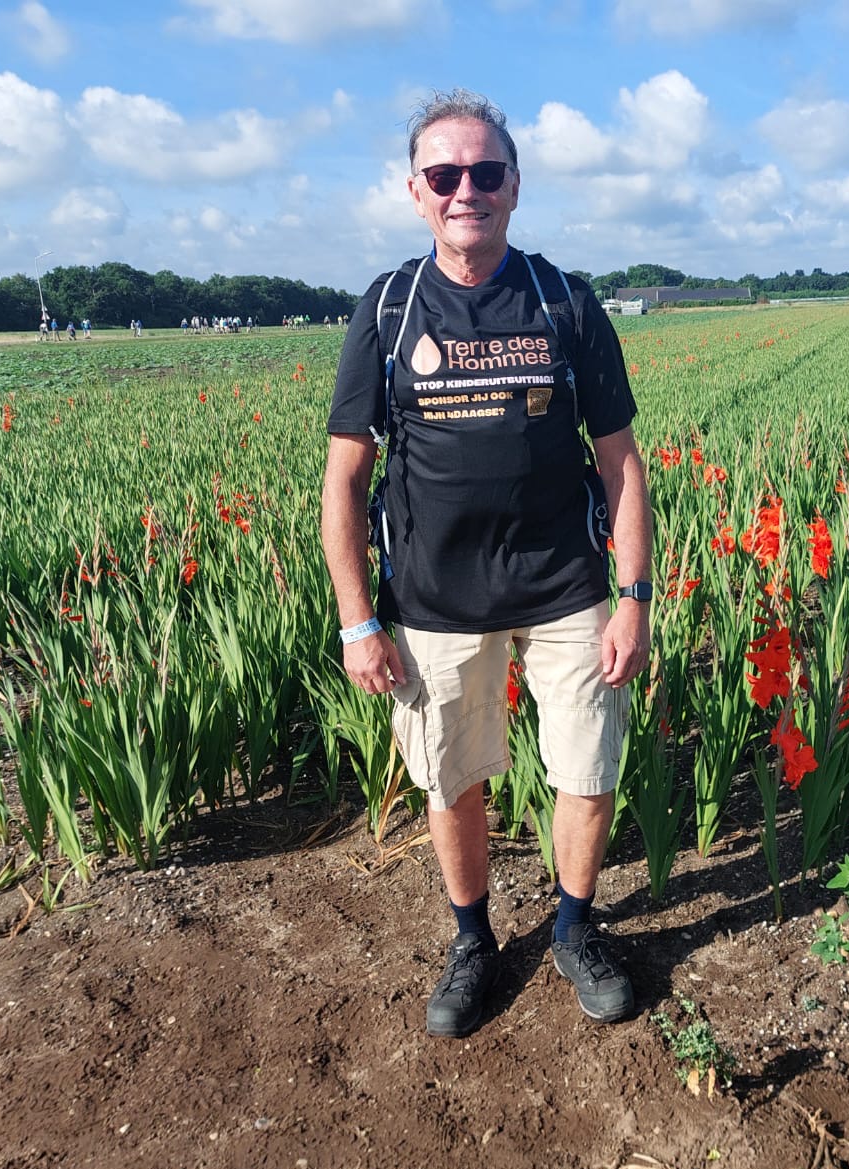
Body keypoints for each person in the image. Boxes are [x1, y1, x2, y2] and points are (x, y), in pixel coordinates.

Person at [321, 89, 653, 1039]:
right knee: (451, 777)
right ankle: (474, 939)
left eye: (486, 172)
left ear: (514, 186)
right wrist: (357, 618)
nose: (466, 188)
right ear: (416, 192)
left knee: (585, 769)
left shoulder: (564, 301)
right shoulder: (387, 310)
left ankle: (575, 929)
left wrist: (632, 599)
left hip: (566, 590)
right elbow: (343, 482)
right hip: (431, 600)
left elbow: (620, 461)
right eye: (445, 174)